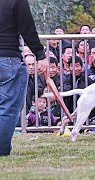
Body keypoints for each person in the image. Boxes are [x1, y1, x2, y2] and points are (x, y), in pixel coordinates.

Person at [0, 0, 48, 156]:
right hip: (8, 57)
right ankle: (1, 150)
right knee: (9, 107)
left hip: (7, 57)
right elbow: (27, 28)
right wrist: (40, 54)